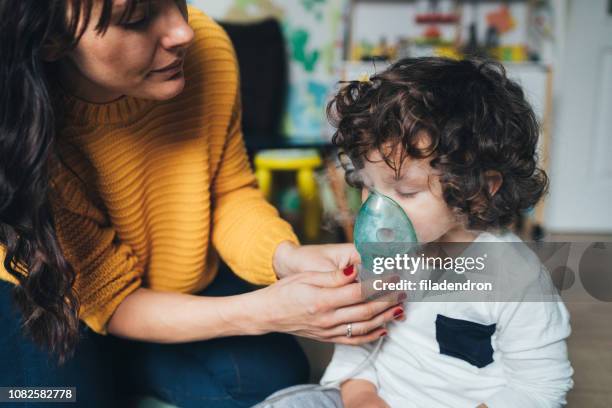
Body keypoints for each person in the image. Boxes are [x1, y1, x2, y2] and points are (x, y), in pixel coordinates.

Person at [0, 1, 404, 407]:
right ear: (52, 40)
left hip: (172, 276)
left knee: (276, 381)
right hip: (51, 295)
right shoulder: (19, 128)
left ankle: (126, 359)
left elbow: (228, 193)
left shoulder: (206, 48)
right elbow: (112, 299)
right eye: (136, 20)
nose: (183, 32)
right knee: (51, 398)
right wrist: (262, 311)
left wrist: (287, 258)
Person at [263, 57, 574, 407]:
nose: (377, 208)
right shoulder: (383, 253)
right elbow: (359, 344)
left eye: (406, 191)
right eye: (367, 185)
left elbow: (540, 389)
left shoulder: (516, 278)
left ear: (480, 189)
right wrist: (361, 396)